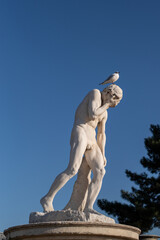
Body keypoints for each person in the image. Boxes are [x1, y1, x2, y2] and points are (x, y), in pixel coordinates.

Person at [40, 84, 123, 213]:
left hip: (92, 138)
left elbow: (101, 134)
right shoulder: (95, 93)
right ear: (110, 94)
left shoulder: (105, 113)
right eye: (116, 99)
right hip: (81, 130)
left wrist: (103, 153)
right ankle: (47, 198)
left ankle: (89, 207)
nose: (116, 104)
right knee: (72, 169)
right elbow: (93, 114)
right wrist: (107, 104)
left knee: (100, 171)